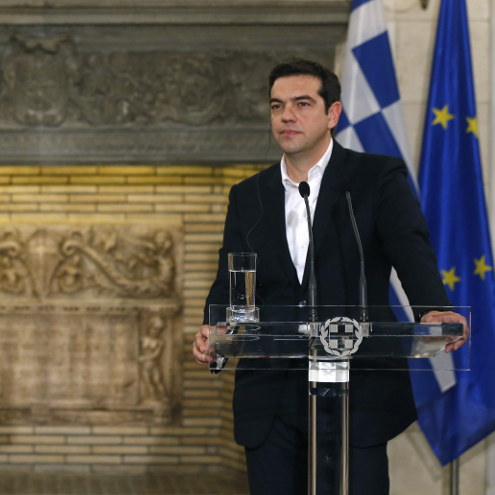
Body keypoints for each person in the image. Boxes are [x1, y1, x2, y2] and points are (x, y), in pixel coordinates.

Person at [191, 60, 468, 495]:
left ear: (332, 114)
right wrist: (215, 324)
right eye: (277, 105)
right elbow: (231, 273)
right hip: (271, 394)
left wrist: (431, 305)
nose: (287, 115)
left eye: (302, 103)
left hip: (356, 390)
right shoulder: (249, 195)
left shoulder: (376, 178)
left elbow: (410, 249)